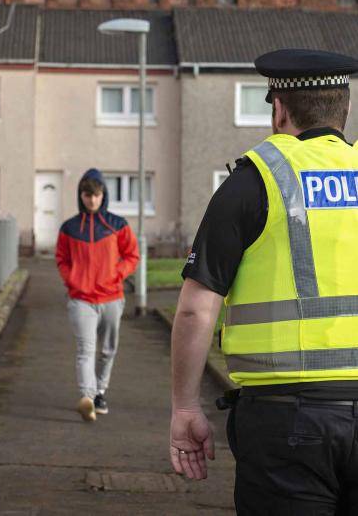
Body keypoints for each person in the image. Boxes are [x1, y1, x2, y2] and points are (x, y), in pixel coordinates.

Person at [169, 49, 358, 514]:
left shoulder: (255, 182)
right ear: (344, 110)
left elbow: (196, 308)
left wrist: (185, 407)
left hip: (286, 421)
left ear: (279, 108)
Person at [56, 169, 139, 421]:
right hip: (82, 301)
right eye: (87, 195)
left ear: (104, 195)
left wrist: (117, 274)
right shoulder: (69, 228)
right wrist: (73, 280)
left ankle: (100, 391)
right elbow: (62, 259)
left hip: (112, 298)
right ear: (80, 196)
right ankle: (88, 397)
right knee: (86, 349)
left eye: (96, 195)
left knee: (108, 350)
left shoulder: (117, 225)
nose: (92, 200)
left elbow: (132, 256)